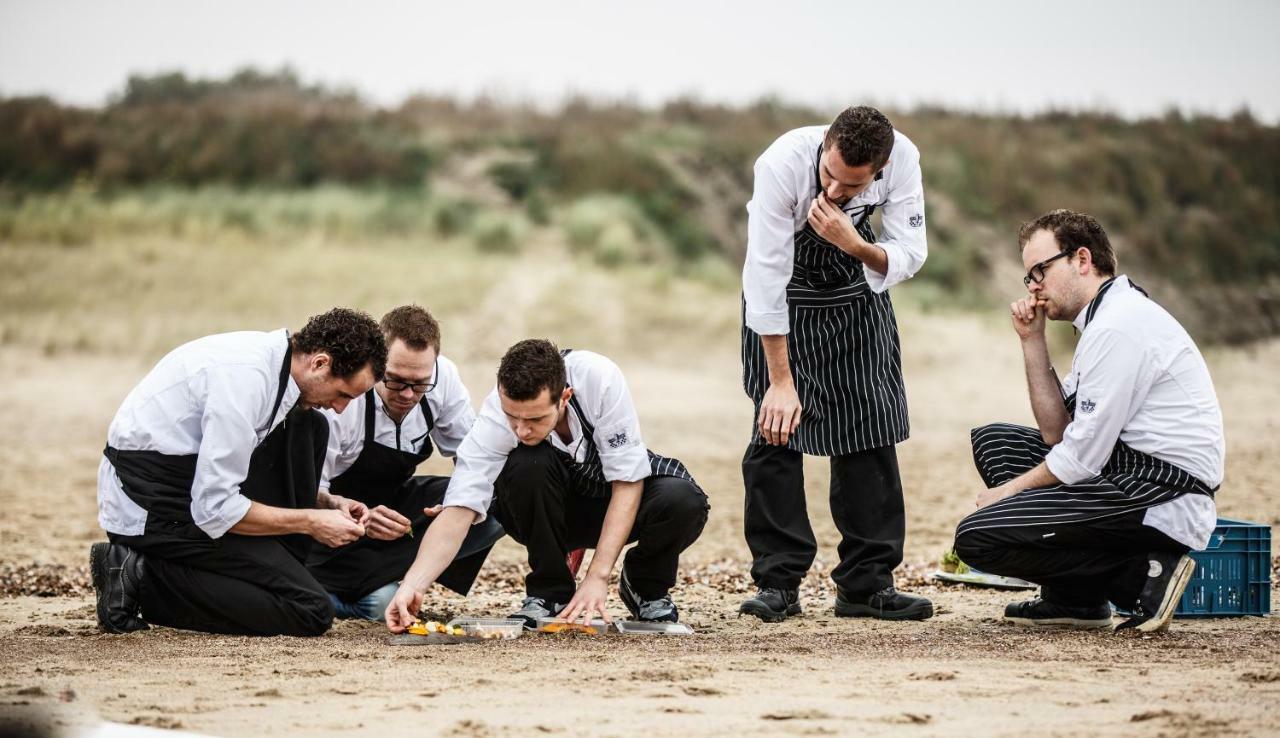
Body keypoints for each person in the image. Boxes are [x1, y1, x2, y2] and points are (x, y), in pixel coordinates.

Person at [954, 209, 1224, 633]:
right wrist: (1032, 341)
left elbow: (1078, 460)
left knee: (977, 536)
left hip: (1161, 493)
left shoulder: (1119, 326)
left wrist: (1007, 493)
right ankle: (1075, 601)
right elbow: (1056, 434)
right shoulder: (1102, 319)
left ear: (1082, 260)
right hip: (1123, 470)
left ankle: (1145, 577)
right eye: (1029, 277)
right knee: (996, 442)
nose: (1033, 286)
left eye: (1040, 270)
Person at [739, 105, 933, 622]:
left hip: (856, 297)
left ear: (882, 168)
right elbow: (765, 275)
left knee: (871, 430)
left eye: (852, 186)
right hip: (785, 306)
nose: (835, 192)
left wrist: (854, 243)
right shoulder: (780, 164)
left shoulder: (904, 159)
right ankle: (778, 583)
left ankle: (866, 587)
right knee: (775, 432)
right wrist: (780, 381)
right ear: (825, 143)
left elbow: (910, 253)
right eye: (829, 175)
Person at [90, 308, 387, 636]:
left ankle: (275, 574)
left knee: (310, 426)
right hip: (149, 503)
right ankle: (139, 575)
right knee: (311, 609)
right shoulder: (244, 381)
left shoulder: (278, 365)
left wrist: (324, 503)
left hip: (189, 485)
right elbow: (215, 508)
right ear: (319, 363)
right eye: (344, 394)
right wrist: (310, 522)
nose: (341, 408)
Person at [384, 339, 709, 631]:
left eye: (536, 419)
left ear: (564, 397)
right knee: (527, 460)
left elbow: (627, 481)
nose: (522, 430)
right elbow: (461, 506)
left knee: (682, 499)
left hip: (611, 498)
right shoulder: (494, 417)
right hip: (547, 510)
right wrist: (413, 584)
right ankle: (549, 592)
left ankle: (643, 586)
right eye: (515, 418)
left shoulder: (600, 379)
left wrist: (598, 577)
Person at [307, 305, 503, 621]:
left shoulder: (444, 379)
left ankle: (399, 582)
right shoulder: (343, 400)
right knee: (373, 600)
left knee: (489, 501)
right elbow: (312, 492)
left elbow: (474, 459)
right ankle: (348, 592)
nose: (409, 395)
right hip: (334, 522)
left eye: (420, 383)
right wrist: (359, 516)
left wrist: (454, 510)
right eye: (396, 381)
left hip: (396, 512)